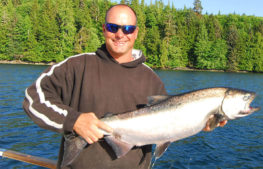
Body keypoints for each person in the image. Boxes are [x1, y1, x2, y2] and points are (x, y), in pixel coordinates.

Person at [23, 4, 226, 169]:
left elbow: (169, 127)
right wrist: (74, 121)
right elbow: (34, 99)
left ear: (136, 33)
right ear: (104, 29)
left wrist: (201, 124)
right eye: (113, 27)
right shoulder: (77, 66)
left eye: (127, 29)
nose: (120, 34)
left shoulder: (152, 79)